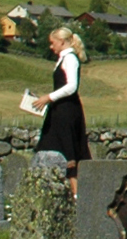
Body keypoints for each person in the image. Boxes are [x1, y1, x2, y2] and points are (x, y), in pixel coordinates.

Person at [30, 25, 92, 195]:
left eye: (53, 43)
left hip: (67, 112)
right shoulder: (62, 59)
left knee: (68, 151)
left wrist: (48, 98)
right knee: (48, 146)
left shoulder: (70, 58)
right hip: (58, 111)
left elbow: (72, 87)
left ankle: (77, 195)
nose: (51, 47)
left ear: (62, 42)